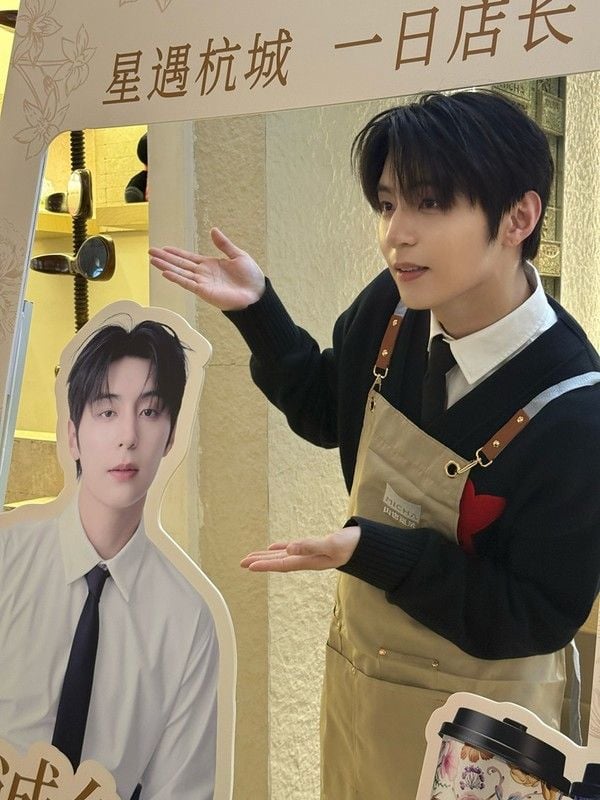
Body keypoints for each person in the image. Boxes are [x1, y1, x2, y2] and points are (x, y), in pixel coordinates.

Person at [149, 90, 600, 800]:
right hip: (366, 687)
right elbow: (327, 409)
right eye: (388, 205)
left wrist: (375, 552)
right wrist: (259, 310)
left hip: (488, 733)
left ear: (518, 217)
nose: (396, 234)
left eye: (430, 203)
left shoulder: (575, 409)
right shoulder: (391, 311)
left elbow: (533, 615)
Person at [0, 319, 219, 800]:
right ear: (73, 435)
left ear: (170, 435)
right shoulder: (7, 561)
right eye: (106, 411)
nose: (128, 436)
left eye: (150, 411)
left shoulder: (187, 622)